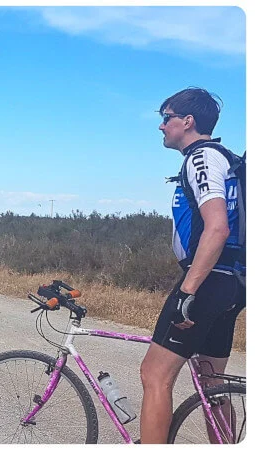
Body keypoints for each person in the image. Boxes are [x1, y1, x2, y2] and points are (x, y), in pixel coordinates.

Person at [139, 87, 245, 443]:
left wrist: (188, 290)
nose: (161, 126)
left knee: (155, 375)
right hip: (234, 281)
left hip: (208, 282)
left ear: (188, 122)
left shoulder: (200, 158)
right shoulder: (226, 159)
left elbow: (217, 227)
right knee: (212, 384)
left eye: (166, 118)